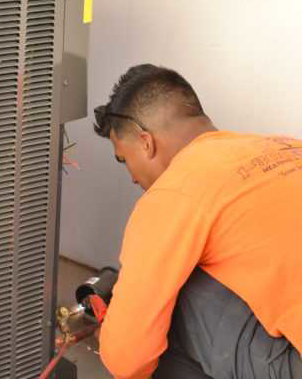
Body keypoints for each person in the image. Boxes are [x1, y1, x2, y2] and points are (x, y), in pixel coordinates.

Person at [93, 64, 302, 379]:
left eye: (124, 160)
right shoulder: (287, 148)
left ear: (145, 142)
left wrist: (111, 334)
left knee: (159, 315)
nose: (133, 178)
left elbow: (127, 359)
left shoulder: (177, 189)